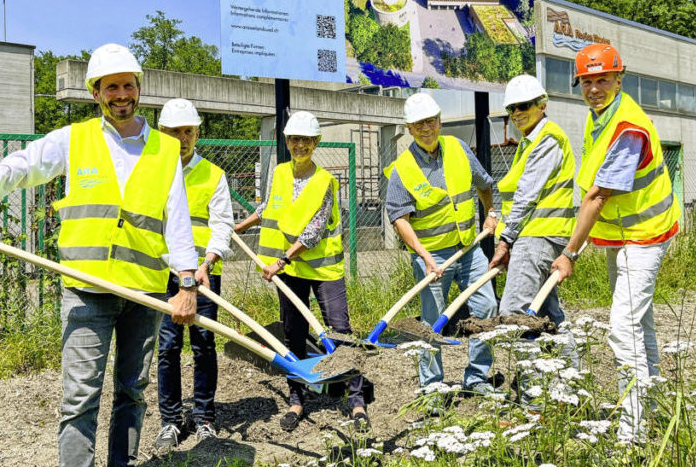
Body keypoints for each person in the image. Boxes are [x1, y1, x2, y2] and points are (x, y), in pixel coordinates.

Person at [0, 43, 203, 467]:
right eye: (110, 87)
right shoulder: (74, 139)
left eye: (128, 85)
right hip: (85, 293)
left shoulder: (164, 149)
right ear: (96, 92)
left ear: (138, 89)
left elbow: (177, 222)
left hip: (144, 292)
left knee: (131, 394)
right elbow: (17, 166)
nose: (121, 94)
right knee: (79, 400)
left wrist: (186, 286)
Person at [550, 43, 681, 444]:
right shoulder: (599, 118)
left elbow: (597, 196)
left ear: (619, 78)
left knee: (622, 330)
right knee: (639, 325)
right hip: (623, 237)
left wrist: (569, 252)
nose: (594, 88)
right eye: (587, 81)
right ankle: (653, 412)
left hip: (645, 235)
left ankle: (633, 435)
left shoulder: (627, 127)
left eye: (602, 79)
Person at [233, 111, 369, 432]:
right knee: (293, 335)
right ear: (287, 142)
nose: (299, 145)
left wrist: (282, 260)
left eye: (306, 140)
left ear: (316, 142)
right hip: (289, 273)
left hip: (322, 270)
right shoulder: (279, 173)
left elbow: (314, 230)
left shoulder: (324, 181)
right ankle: (297, 397)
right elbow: (267, 207)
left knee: (339, 333)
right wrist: (237, 227)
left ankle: (356, 400)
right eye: (294, 139)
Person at [384, 92, 499, 397]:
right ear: (409, 128)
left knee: (487, 306)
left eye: (431, 121)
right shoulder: (403, 168)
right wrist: (423, 257)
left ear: (439, 121)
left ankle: (476, 379)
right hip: (431, 256)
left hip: (468, 248)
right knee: (432, 322)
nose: (427, 128)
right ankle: (432, 387)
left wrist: (491, 214)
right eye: (419, 124)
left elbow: (484, 183)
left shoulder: (457, 148)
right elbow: (399, 218)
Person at [154, 98, 234, 448]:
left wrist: (208, 263)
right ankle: (170, 421)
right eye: (173, 131)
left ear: (198, 133)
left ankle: (203, 417)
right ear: (161, 133)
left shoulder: (213, 175)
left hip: (202, 273)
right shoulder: (149, 172)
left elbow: (222, 225)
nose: (181, 137)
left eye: (188, 131)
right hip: (161, 271)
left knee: (203, 344)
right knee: (167, 347)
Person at [488, 75, 579, 374]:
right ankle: (571, 381)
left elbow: (528, 195)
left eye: (523, 106)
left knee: (515, 314)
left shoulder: (546, 139)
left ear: (542, 104)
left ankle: (533, 398)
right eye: (512, 109)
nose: (517, 113)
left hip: (537, 236)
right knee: (548, 313)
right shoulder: (529, 141)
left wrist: (506, 241)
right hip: (536, 237)